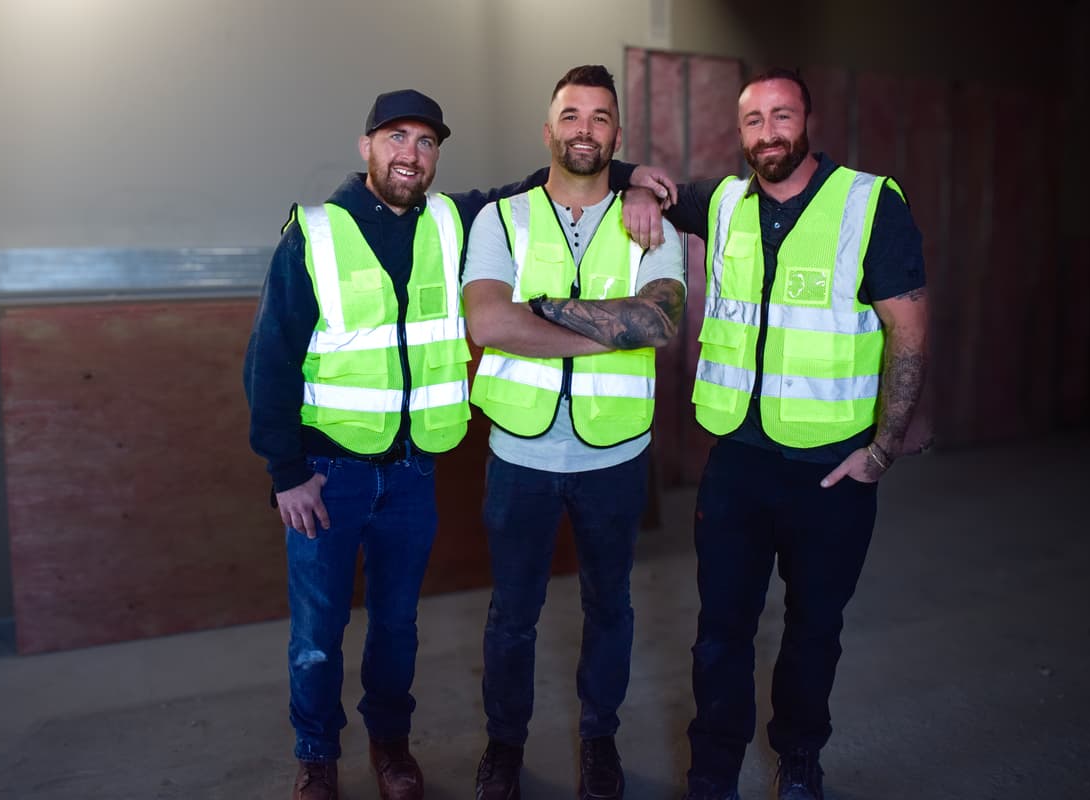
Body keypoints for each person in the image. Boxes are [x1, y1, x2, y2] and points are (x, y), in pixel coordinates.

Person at [244, 88, 666, 800]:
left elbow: (554, 176)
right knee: (317, 634)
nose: (410, 155)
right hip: (326, 470)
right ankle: (316, 756)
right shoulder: (315, 232)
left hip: (411, 472)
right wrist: (287, 471)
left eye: (426, 142)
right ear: (367, 145)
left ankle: (390, 747)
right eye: (396, 138)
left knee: (397, 628)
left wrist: (630, 179)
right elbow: (272, 357)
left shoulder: (453, 219)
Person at [625, 67, 930, 800]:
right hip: (737, 461)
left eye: (782, 115)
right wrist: (639, 185)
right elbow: (649, 183)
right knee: (719, 632)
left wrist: (883, 447)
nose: (768, 133)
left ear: (809, 122)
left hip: (832, 469)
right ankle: (712, 772)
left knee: (812, 630)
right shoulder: (724, 201)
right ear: (741, 132)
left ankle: (798, 759)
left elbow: (909, 332)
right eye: (754, 120)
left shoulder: (868, 203)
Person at [462, 65, 686, 800]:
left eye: (599, 116)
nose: (583, 128)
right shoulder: (503, 218)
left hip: (615, 454)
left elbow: (660, 322)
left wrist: (545, 312)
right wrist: (610, 330)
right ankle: (504, 745)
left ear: (617, 135)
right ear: (549, 128)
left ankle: (599, 741)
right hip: (519, 452)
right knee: (512, 615)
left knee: (610, 607)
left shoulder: (653, 220)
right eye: (570, 114)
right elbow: (489, 321)